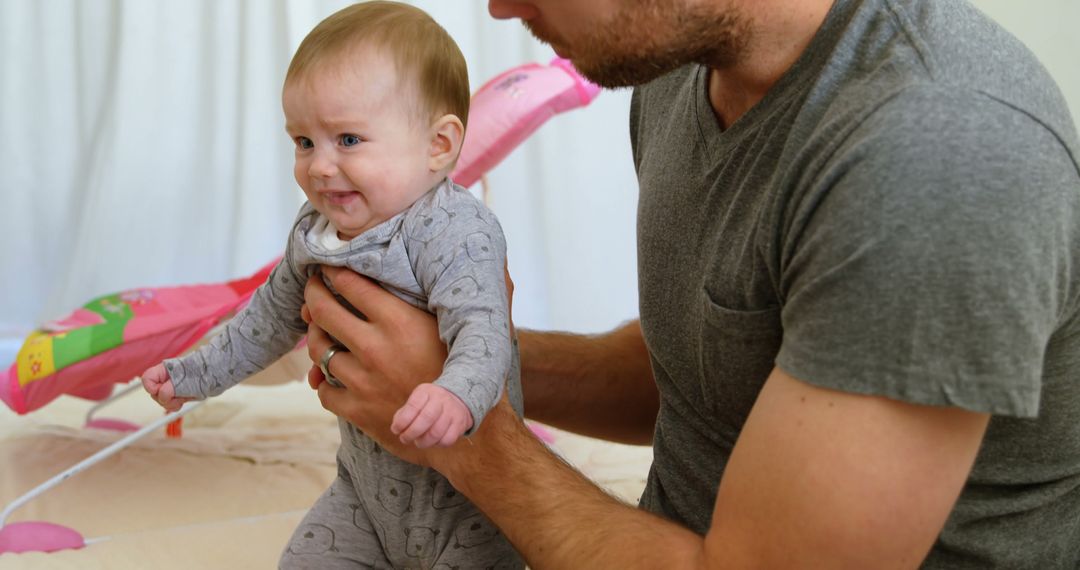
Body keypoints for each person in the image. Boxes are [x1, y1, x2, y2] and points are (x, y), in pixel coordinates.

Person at [302, 0, 1080, 567]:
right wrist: (453, 359)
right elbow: (708, 366)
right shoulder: (679, 73)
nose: (502, 5)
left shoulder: (936, 151)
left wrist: (466, 439)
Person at [140, 2, 524, 568]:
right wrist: (196, 373)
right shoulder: (316, 231)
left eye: (347, 140)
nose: (319, 167)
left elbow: (485, 329)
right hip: (364, 497)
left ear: (438, 145)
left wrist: (456, 394)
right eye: (303, 142)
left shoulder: (455, 230)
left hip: (469, 506)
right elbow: (267, 318)